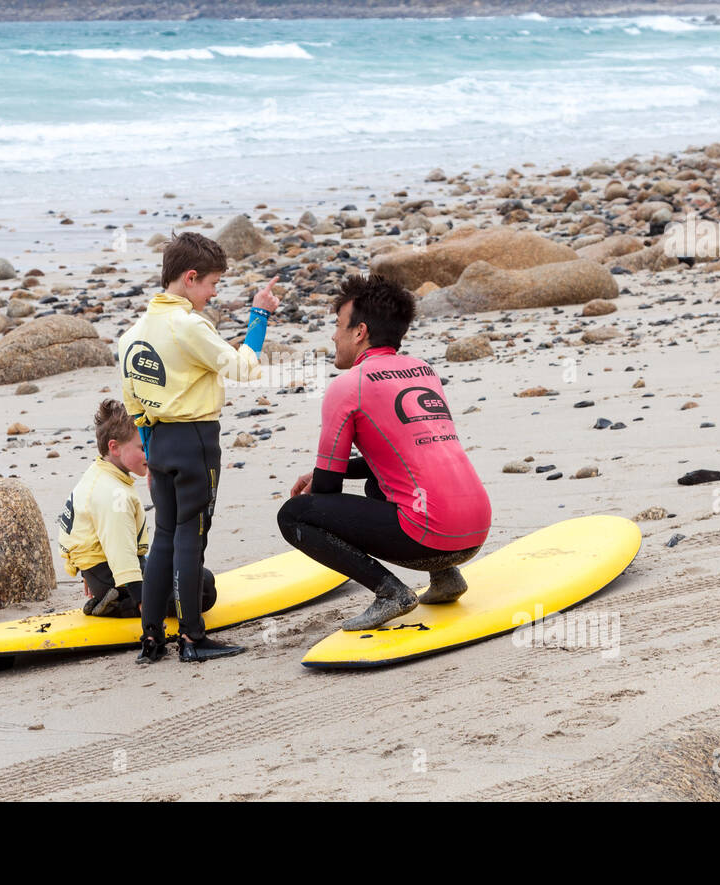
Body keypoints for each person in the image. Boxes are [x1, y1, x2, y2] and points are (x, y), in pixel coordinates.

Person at [278, 274, 491, 630]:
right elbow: (405, 456)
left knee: (295, 515)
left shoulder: (348, 386)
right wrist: (332, 472)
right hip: (476, 529)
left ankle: (391, 593)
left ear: (359, 332)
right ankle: (445, 578)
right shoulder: (424, 370)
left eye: (337, 325)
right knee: (379, 485)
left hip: (430, 537)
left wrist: (324, 477)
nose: (333, 335)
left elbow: (327, 493)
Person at [119, 231, 280, 662]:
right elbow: (243, 368)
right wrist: (259, 316)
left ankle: (151, 638)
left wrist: (150, 451)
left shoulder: (132, 333)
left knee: (164, 538)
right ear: (190, 277)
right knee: (193, 538)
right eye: (212, 284)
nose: (212, 293)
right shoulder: (188, 325)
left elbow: (133, 402)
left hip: (159, 442)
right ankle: (192, 638)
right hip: (195, 442)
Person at [56, 399, 217, 619]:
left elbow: (83, 526)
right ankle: (119, 604)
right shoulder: (114, 495)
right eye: (143, 448)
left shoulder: (97, 474)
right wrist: (144, 602)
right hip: (114, 576)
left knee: (197, 577)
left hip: (101, 572)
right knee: (204, 589)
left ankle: (113, 596)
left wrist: (87, 568)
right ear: (114, 447)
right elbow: (121, 554)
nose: (151, 455)